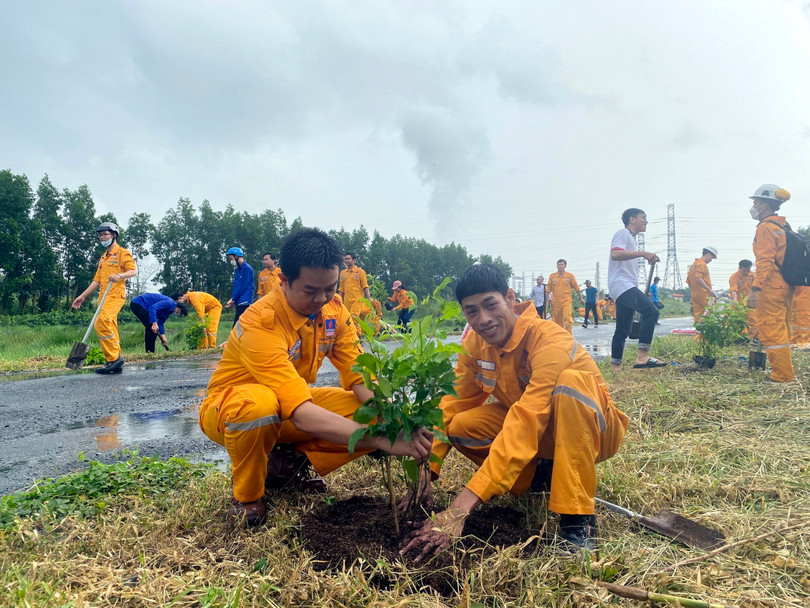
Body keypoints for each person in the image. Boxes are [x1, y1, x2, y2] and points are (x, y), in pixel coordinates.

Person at [199, 228, 432, 525]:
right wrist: (382, 439)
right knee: (258, 406)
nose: (322, 299)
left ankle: (285, 464)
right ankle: (248, 496)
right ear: (284, 280)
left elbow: (360, 375)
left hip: (289, 405)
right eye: (310, 291)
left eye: (330, 288)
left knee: (369, 411)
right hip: (232, 408)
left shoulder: (334, 311)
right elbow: (300, 413)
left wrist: (394, 422)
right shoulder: (261, 320)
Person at [399, 264, 628, 560]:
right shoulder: (475, 345)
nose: (484, 319)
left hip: (596, 432)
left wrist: (460, 508)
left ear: (509, 298)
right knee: (461, 425)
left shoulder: (548, 339)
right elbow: (452, 403)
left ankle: (578, 519)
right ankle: (540, 476)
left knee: (570, 384)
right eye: (472, 312)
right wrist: (426, 471)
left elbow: (527, 419)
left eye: (490, 305)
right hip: (541, 434)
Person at [72, 222, 137, 374]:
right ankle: (115, 358)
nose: (102, 238)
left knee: (101, 321)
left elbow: (132, 271)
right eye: (100, 235)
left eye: (105, 235)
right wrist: (82, 296)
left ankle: (114, 358)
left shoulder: (122, 253)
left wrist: (119, 275)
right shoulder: (103, 258)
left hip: (115, 295)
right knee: (110, 325)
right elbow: (97, 280)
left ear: (114, 235)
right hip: (104, 297)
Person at [608, 209, 665, 370]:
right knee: (651, 311)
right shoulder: (623, 233)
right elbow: (615, 254)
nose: (646, 221)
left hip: (622, 286)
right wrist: (643, 253)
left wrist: (645, 256)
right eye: (643, 218)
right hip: (622, 284)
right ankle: (642, 356)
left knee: (623, 328)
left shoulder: (631, 239)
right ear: (632, 219)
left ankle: (615, 365)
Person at [747, 184, 794, 382]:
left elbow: (765, 262)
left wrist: (755, 289)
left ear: (764, 205)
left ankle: (782, 376)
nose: (754, 206)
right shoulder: (782, 226)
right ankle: (784, 372)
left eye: (756, 202)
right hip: (785, 285)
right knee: (781, 329)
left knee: (772, 329)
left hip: (771, 287)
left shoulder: (766, 228)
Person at [547, 260, 584, 333]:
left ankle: (569, 334)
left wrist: (581, 298)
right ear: (556, 266)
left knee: (567, 317)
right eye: (559, 265)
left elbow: (577, 288)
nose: (560, 266)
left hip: (566, 300)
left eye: (562, 265)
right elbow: (548, 289)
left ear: (565, 266)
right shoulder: (552, 276)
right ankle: (559, 334)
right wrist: (547, 300)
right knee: (557, 319)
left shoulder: (570, 276)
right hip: (556, 302)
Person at [338, 252, 372, 326]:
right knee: (347, 319)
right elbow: (341, 289)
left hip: (357, 300)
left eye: (348, 259)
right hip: (347, 301)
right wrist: (339, 301)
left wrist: (369, 298)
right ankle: (354, 332)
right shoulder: (342, 273)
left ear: (353, 260)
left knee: (354, 318)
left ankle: (357, 332)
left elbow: (365, 286)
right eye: (345, 259)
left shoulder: (360, 272)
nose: (346, 260)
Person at [686, 247, 718, 325]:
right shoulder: (702, 264)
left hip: (694, 294)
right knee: (710, 311)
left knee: (699, 314)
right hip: (703, 293)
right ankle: (706, 331)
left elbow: (689, 281)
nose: (711, 260)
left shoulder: (694, 265)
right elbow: (698, 278)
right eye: (712, 258)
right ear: (708, 254)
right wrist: (709, 290)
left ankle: (699, 331)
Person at [225, 247, 254, 327]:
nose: (231, 261)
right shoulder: (238, 270)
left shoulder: (247, 269)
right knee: (239, 325)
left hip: (245, 301)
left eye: (231, 259)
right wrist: (233, 299)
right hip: (239, 301)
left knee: (238, 325)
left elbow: (243, 286)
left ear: (236, 256)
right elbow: (237, 286)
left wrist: (233, 299)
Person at [729, 260, 757, 338]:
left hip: (749, 301)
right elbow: (733, 290)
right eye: (744, 270)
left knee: (753, 319)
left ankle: (753, 337)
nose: (746, 272)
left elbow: (756, 288)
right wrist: (735, 302)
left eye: (748, 270)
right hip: (738, 302)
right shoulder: (734, 277)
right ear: (740, 268)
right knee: (737, 320)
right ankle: (738, 337)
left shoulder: (753, 276)